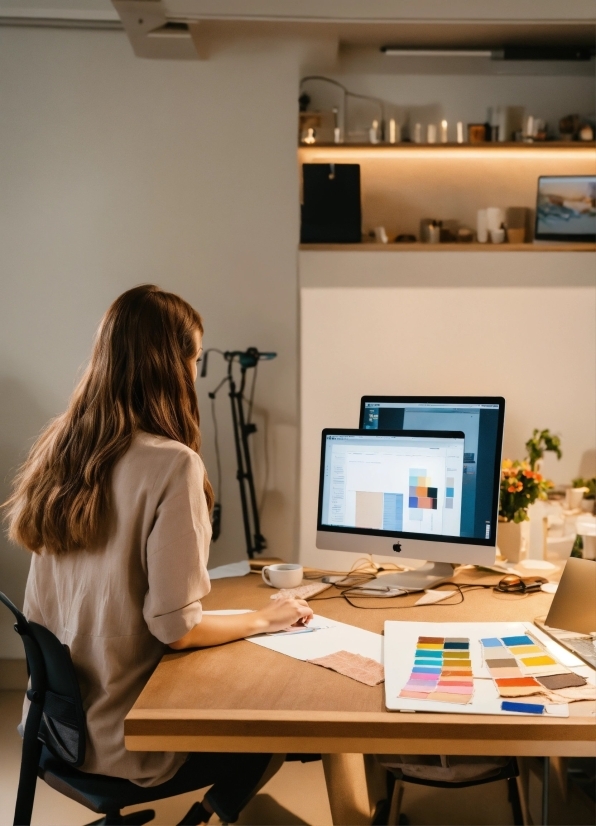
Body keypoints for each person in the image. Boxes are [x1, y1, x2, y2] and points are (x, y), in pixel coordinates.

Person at [4, 284, 313, 825]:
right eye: (194, 358)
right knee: (276, 724)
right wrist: (265, 616)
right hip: (127, 738)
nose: (196, 372)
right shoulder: (171, 465)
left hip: (54, 726)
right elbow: (175, 628)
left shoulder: (62, 444)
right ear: (171, 365)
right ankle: (200, 821)